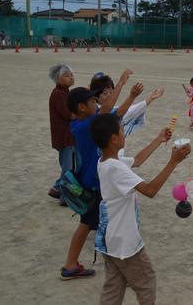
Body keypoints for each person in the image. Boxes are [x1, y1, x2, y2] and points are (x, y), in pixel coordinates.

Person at [91, 113, 191, 305]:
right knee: (146, 282)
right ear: (113, 139)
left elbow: (136, 160)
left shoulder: (106, 160)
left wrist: (159, 139)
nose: (124, 134)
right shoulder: (115, 168)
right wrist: (173, 162)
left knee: (114, 286)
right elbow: (150, 190)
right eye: (121, 131)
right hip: (125, 242)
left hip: (110, 240)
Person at [60, 70, 141, 280]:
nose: (95, 104)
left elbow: (114, 115)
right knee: (108, 227)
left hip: (92, 182)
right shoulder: (84, 126)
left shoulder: (85, 123)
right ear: (81, 107)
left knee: (86, 225)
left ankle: (70, 265)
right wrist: (121, 83)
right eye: (91, 102)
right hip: (95, 185)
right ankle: (123, 271)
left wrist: (131, 97)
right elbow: (106, 111)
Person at [90, 73, 164, 137]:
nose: (110, 96)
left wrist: (151, 98)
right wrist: (131, 95)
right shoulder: (94, 113)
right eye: (105, 93)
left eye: (111, 92)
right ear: (95, 97)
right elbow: (118, 114)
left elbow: (131, 110)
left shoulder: (113, 109)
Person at [48, 64, 76, 204]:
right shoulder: (59, 94)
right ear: (58, 79)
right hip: (65, 137)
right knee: (68, 167)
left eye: (71, 75)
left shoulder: (65, 92)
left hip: (67, 136)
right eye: (67, 75)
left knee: (70, 165)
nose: (71, 78)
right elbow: (69, 115)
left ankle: (56, 188)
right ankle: (65, 197)